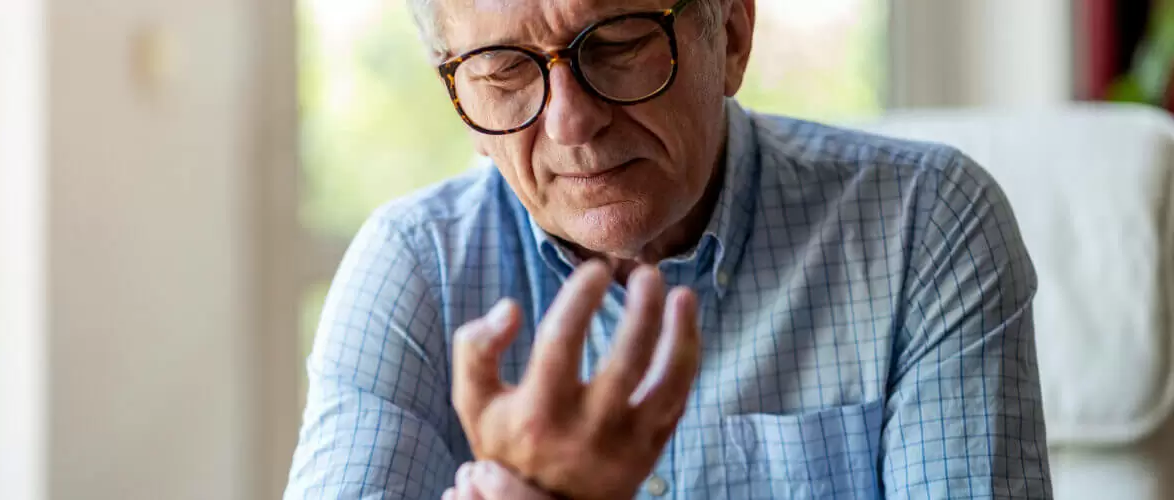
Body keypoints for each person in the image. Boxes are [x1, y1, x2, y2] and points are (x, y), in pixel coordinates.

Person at [283, 0, 1054, 498]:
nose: (570, 123)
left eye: (617, 44)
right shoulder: (415, 267)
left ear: (733, 34)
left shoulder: (922, 223)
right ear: (461, 102)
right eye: (506, 72)